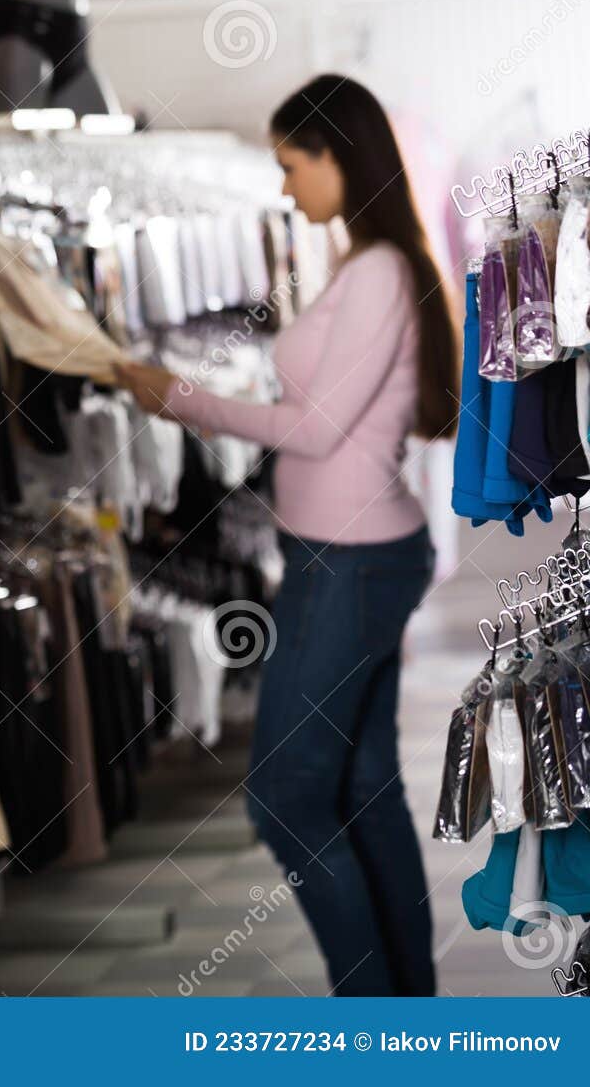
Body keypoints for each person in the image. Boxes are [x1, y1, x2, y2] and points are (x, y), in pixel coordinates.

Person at [115, 74, 460, 996]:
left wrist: (178, 396)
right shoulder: (366, 263)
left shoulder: (379, 270)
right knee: (361, 790)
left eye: (290, 164)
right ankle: (402, 1019)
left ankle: (372, 1010)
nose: (282, 189)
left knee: (286, 798)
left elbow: (315, 429)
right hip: (342, 552)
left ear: (340, 155)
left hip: (350, 559)